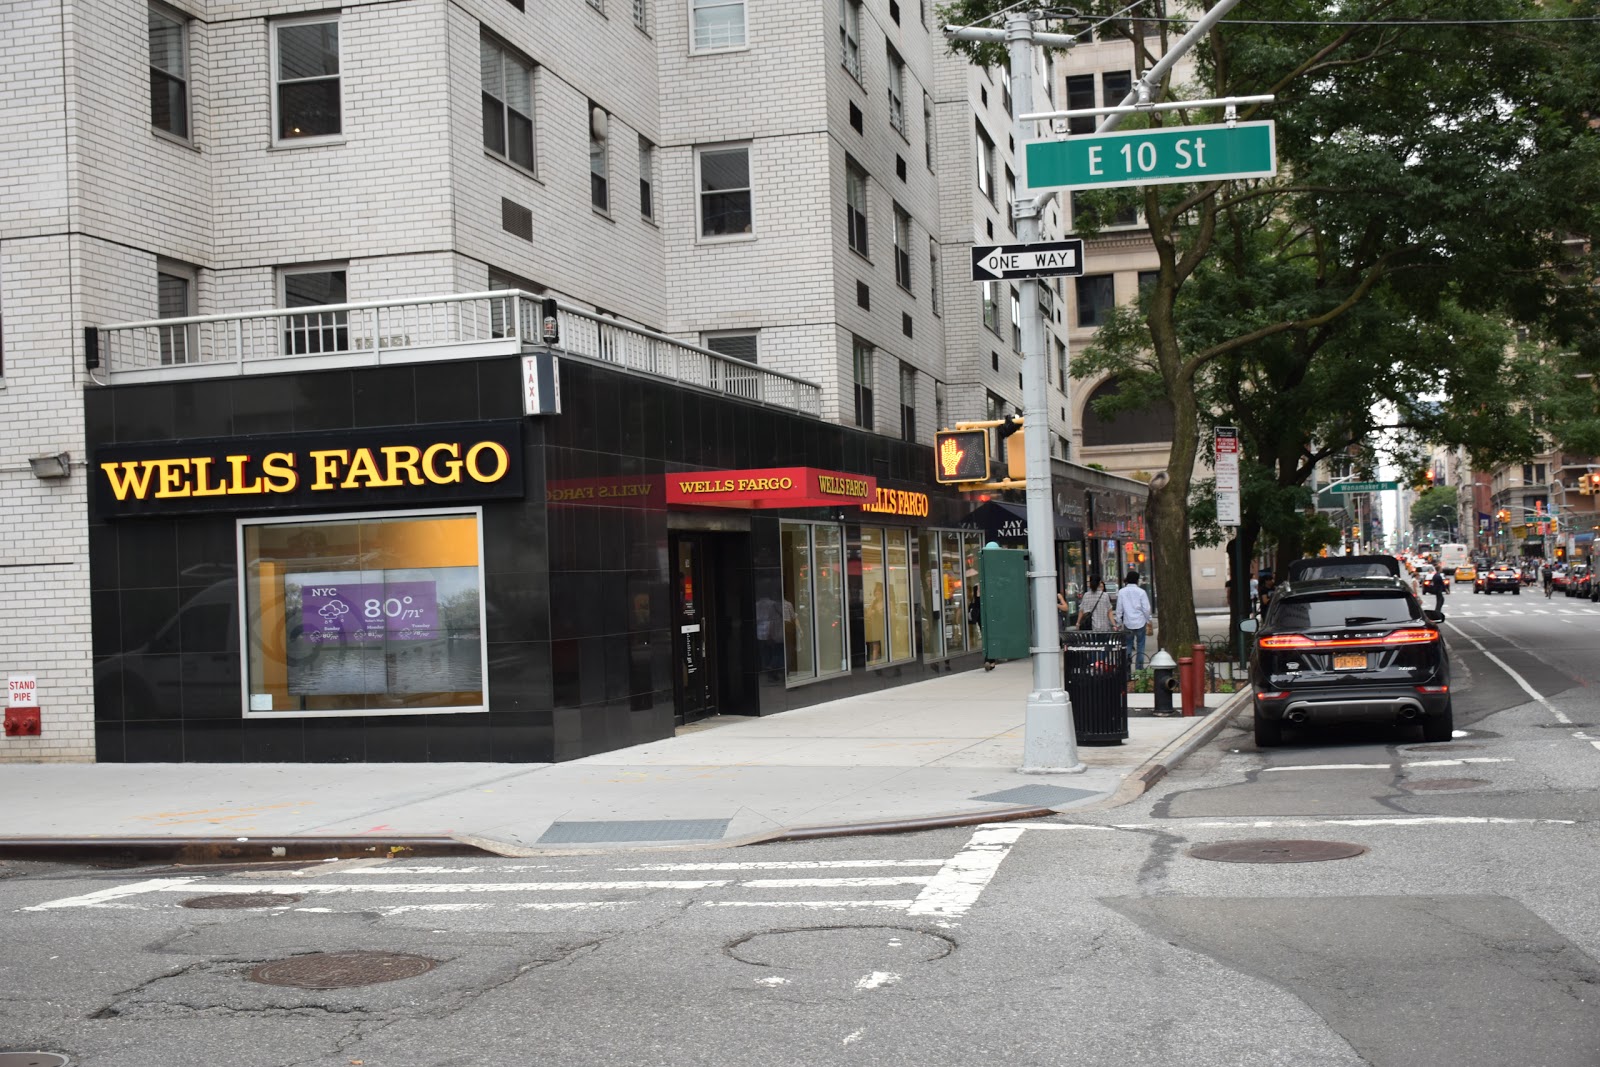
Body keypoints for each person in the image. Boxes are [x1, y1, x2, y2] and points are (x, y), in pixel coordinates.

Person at [1115, 569, 1153, 669]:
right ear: (1137, 580)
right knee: (1141, 646)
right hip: (1140, 621)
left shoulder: (1122, 592)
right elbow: (1146, 608)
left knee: (1128, 645)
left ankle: (1127, 670)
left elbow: (1119, 609)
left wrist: (1118, 622)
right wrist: (1149, 620)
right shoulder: (1141, 592)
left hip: (1128, 622)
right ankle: (1139, 670)